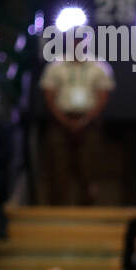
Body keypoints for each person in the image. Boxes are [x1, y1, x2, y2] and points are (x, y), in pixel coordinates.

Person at [39, 50, 114, 205]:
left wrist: (85, 120)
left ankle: (87, 210)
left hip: (90, 122)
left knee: (89, 167)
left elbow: (103, 97)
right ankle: (57, 210)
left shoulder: (99, 67)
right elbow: (49, 97)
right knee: (58, 166)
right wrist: (65, 120)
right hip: (60, 121)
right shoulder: (55, 66)